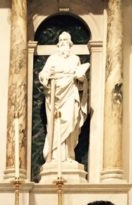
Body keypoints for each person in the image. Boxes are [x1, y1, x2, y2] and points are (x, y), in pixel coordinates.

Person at [39, 31, 89, 165]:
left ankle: (68, 155)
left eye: (66, 40)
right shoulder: (52, 59)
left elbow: (81, 81)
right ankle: (55, 155)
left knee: (70, 120)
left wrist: (81, 78)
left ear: (70, 43)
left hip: (70, 94)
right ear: (58, 44)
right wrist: (44, 77)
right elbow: (43, 74)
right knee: (56, 123)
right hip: (55, 96)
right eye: (61, 40)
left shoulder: (75, 59)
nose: (63, 43)